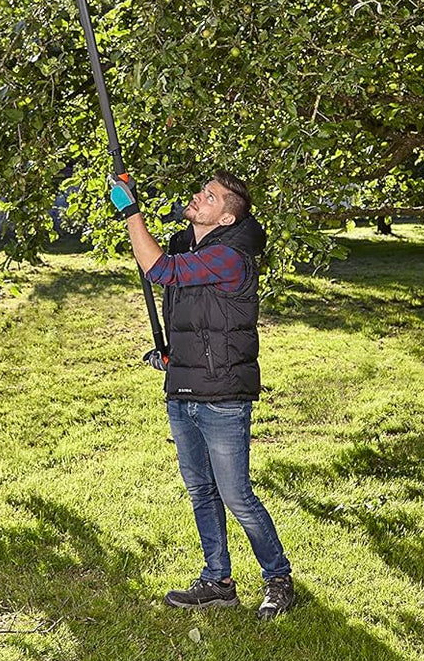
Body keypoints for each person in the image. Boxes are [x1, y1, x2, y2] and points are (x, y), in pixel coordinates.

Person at [110, 169, 296, 619]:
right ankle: (218, 581)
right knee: (201, 491)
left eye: (210, 196)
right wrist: (172, 355)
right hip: (183, 390)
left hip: (222, 397)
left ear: (227, 218)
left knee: (236, 496)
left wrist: (131, 211)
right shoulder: (188, 247)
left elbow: (159, 271)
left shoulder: (231, 257)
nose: (198, 196)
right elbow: (195, 316)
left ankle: (278, 578)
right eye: (202, 191)